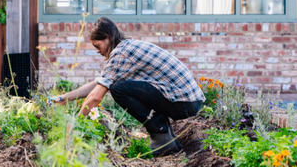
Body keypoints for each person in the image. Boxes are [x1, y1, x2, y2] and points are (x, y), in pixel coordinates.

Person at [51, 17, 205, 156]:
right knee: (117, 85)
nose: (97, 51)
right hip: (187, 100)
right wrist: (65, 98)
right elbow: (100, 82)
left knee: (118, 88)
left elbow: (96, 96)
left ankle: (161, 135)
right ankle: (168, 139)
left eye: (97, 46)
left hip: (184, 102)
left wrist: (76, 126)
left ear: (107, 38)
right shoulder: (126, 48)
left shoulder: (121, 54)